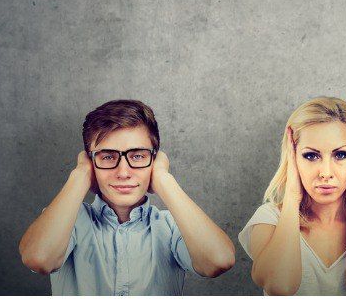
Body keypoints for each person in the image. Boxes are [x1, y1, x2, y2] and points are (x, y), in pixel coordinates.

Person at [18, 99, 235, 295]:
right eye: (108, 156)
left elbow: (218, 261)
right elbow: (39, 258)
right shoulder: (69, 220)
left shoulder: (171, 226)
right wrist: (80, 175)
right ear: (90, 162)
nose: (123, 172)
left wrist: (164, 179)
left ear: (154, 159)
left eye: (138, 156)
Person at [238, 96, 346, 295]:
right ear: (293, 157)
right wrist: (292, 196)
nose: (325, 172)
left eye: (341, 155)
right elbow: (280, 286)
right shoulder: (270, 219)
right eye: (311, 156)